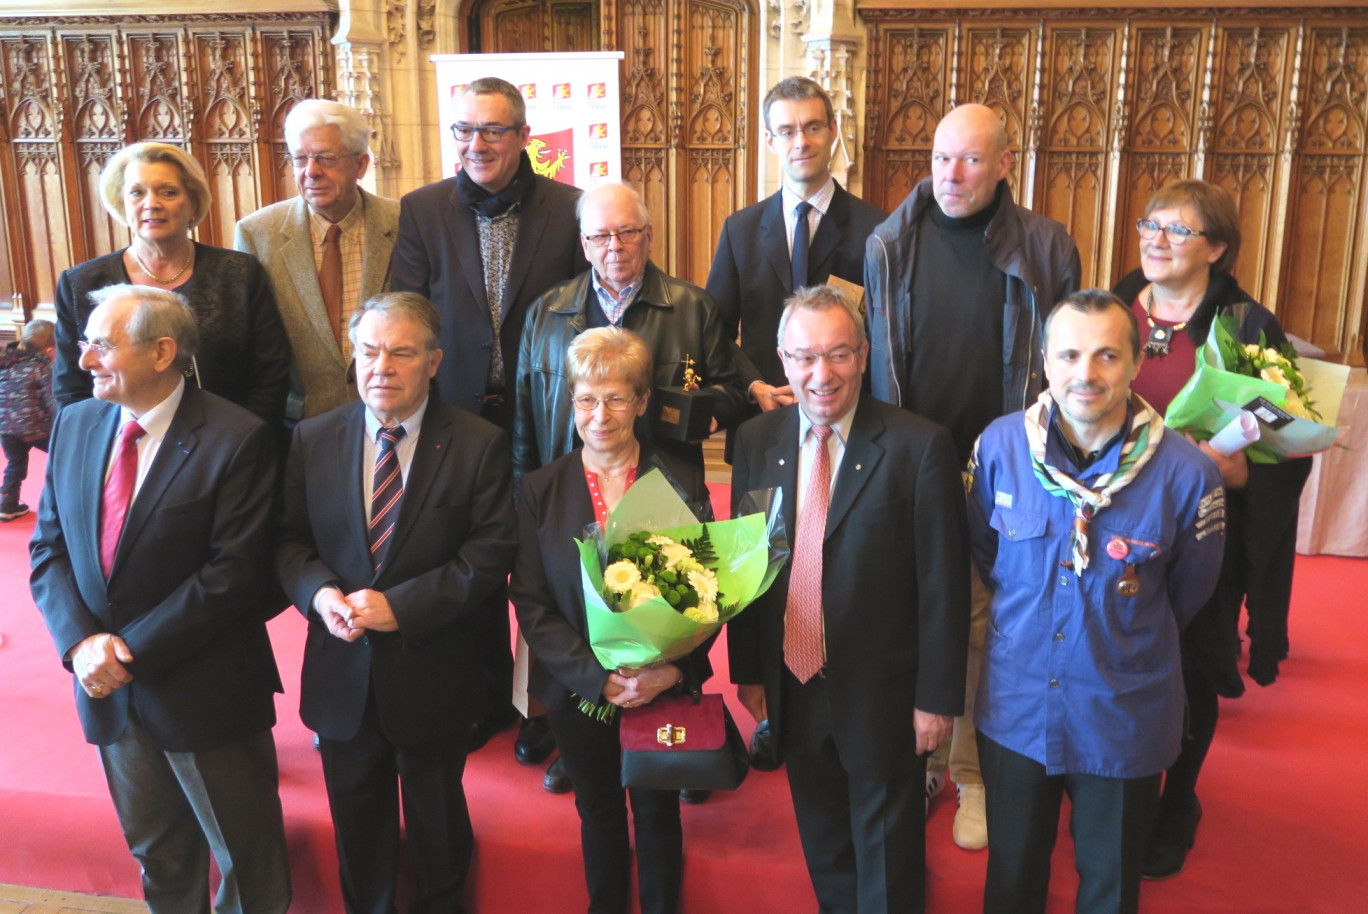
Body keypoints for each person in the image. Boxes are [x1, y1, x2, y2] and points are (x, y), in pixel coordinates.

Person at [29, 284, 291, 914]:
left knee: (245, 859)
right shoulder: (76, 422)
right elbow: (48, 549)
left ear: (162, 352)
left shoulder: (239, 437)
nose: (83, 360)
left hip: (204, 688)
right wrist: (82, 644)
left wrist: (123, 650)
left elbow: (235, 575)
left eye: (101, 345)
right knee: (160, 855)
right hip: (108, 690)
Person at [863, 102, 1082, 850]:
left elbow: (1064, 367)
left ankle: (974, 775)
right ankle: (920, 760)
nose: (950, 175)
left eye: (970, 160)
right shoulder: (889, 242)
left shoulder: (1048, 246)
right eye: (939, 158)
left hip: (1003, 466)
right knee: (916, 614)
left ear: (1004, 163)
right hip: (913, 462)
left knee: (989, 621)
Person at [965, 290, 1226, 914]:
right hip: (1017, 708)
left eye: (1108, 355)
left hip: (1123, 714)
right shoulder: (1000, 450)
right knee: (1012, 879)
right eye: (1070, 355)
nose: (1086, 374)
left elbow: (1189, 594)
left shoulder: (1188, 474)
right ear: (1045, 363)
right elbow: (982, 554)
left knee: (1110, 886)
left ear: (1137, 364)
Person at [728, 285, 971, 913]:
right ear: (781, 360)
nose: (821, 374)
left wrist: (936, 700)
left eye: (838, 354)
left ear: (864, 355)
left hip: (884, 693)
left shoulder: (919, 447)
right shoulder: (756, 442)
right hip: (794, 682)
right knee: (825, 843)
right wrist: (749, 674)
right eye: (805, 357)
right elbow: (747, 568)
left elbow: (944, 585)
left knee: (888, 857)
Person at [275, 292, 517, 914]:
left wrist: (402, 607)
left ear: (434, 361)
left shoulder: (477, 442)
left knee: (438, 819)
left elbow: (489, 553)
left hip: (432, 668)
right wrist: (319, 593)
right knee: (357, 823)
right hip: (342, 670)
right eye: (369, 351)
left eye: (401, 353)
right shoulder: (313, 437)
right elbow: (288, 543)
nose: (381, 366)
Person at [1113, 179, 1312, 878]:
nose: (1155, 239)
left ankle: (1178, 804)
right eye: (1149, 223)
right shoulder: (1113, 306)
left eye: (1176, 230)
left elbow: (1285, 418)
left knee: (1191, 664)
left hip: (1203, 526)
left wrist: (1236, 469)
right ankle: (1118, 787)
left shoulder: (1247, 325)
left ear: (1218, 248)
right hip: (1114, 519)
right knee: (1115, 654)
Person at [390, 76, 587, 765]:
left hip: (545, 417)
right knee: (465, 561)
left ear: (524, 137)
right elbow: (407, 307)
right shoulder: (423, 209)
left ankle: (547, 706)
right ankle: (481, 696)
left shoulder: (570, 210)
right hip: (455, 418)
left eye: (493, 131)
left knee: (547, 564)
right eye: (464, 131)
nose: (476, 145)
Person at [510, 326, 714, 914]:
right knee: (597, 812)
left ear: (643, 402)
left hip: (661, 682)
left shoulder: (679, 481)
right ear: (571, 401)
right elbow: (530, 599)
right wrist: (594, 678)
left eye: (617, 397)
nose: (601, 414)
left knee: (657, 811)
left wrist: (671, 672)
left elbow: (709, 596)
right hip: (580, 690)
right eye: (586, 399)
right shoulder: (540, 490)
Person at [515, 181, 749, 485]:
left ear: (648, 236)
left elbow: (732, 390)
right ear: (585, 245)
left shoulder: (694, 308)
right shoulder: (545, 313)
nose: (614, 245)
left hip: (664, 486)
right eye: (600, 236)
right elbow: (524, 426)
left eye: (627, 232)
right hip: (568, 487)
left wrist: (705, 412)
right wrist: (527, 505)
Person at [53, 142, 290, 429]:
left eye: (168, 192)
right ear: (122, 203)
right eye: (137, 192)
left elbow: (270, 375)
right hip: (121, 448)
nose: (151, 203)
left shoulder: (239, 273)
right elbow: (71, 390)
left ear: (192, 202)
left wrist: (242, 443)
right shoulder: (81, 284)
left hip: (231, 446)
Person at [706, 76, 886, 413]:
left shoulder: (877, 230)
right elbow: (715, 331)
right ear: (771, 141)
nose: (801, 142)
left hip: (848, 416)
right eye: (787, 131)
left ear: (833, 130)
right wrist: (752, 386)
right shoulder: (739, 230)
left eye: (813, 127)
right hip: (761, 416)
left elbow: (886, 337)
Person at [234, 99, 400, 425]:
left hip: (393, 422)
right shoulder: (257, 234)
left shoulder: (406, 223)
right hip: (299, 429)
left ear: (361, 165)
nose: (311, 171)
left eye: (326, 157)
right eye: (300, 158)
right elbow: (251, 347)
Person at [1, 319, 56, 521]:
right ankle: (60, 499)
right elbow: (51, 400)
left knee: (15, 463)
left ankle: (7, 505)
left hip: (6, 428)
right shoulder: (42, 367)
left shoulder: (6, 362)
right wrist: (61, 424)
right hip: (36, 427)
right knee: (61, 456)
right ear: (50, 349)